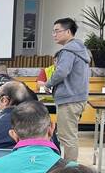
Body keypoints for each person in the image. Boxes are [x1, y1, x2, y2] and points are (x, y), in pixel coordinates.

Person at [37, 18, 91, 162]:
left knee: (67, 137)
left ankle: (69, 170)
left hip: (69, 99)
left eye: (57, 31)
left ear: (68, 32)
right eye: (53, 32)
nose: (54, 34)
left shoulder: (68, 50)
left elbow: (61, 72)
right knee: (70, 135)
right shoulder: (80, 49)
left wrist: (47, 85)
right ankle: (70, 167)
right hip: (77, 98)